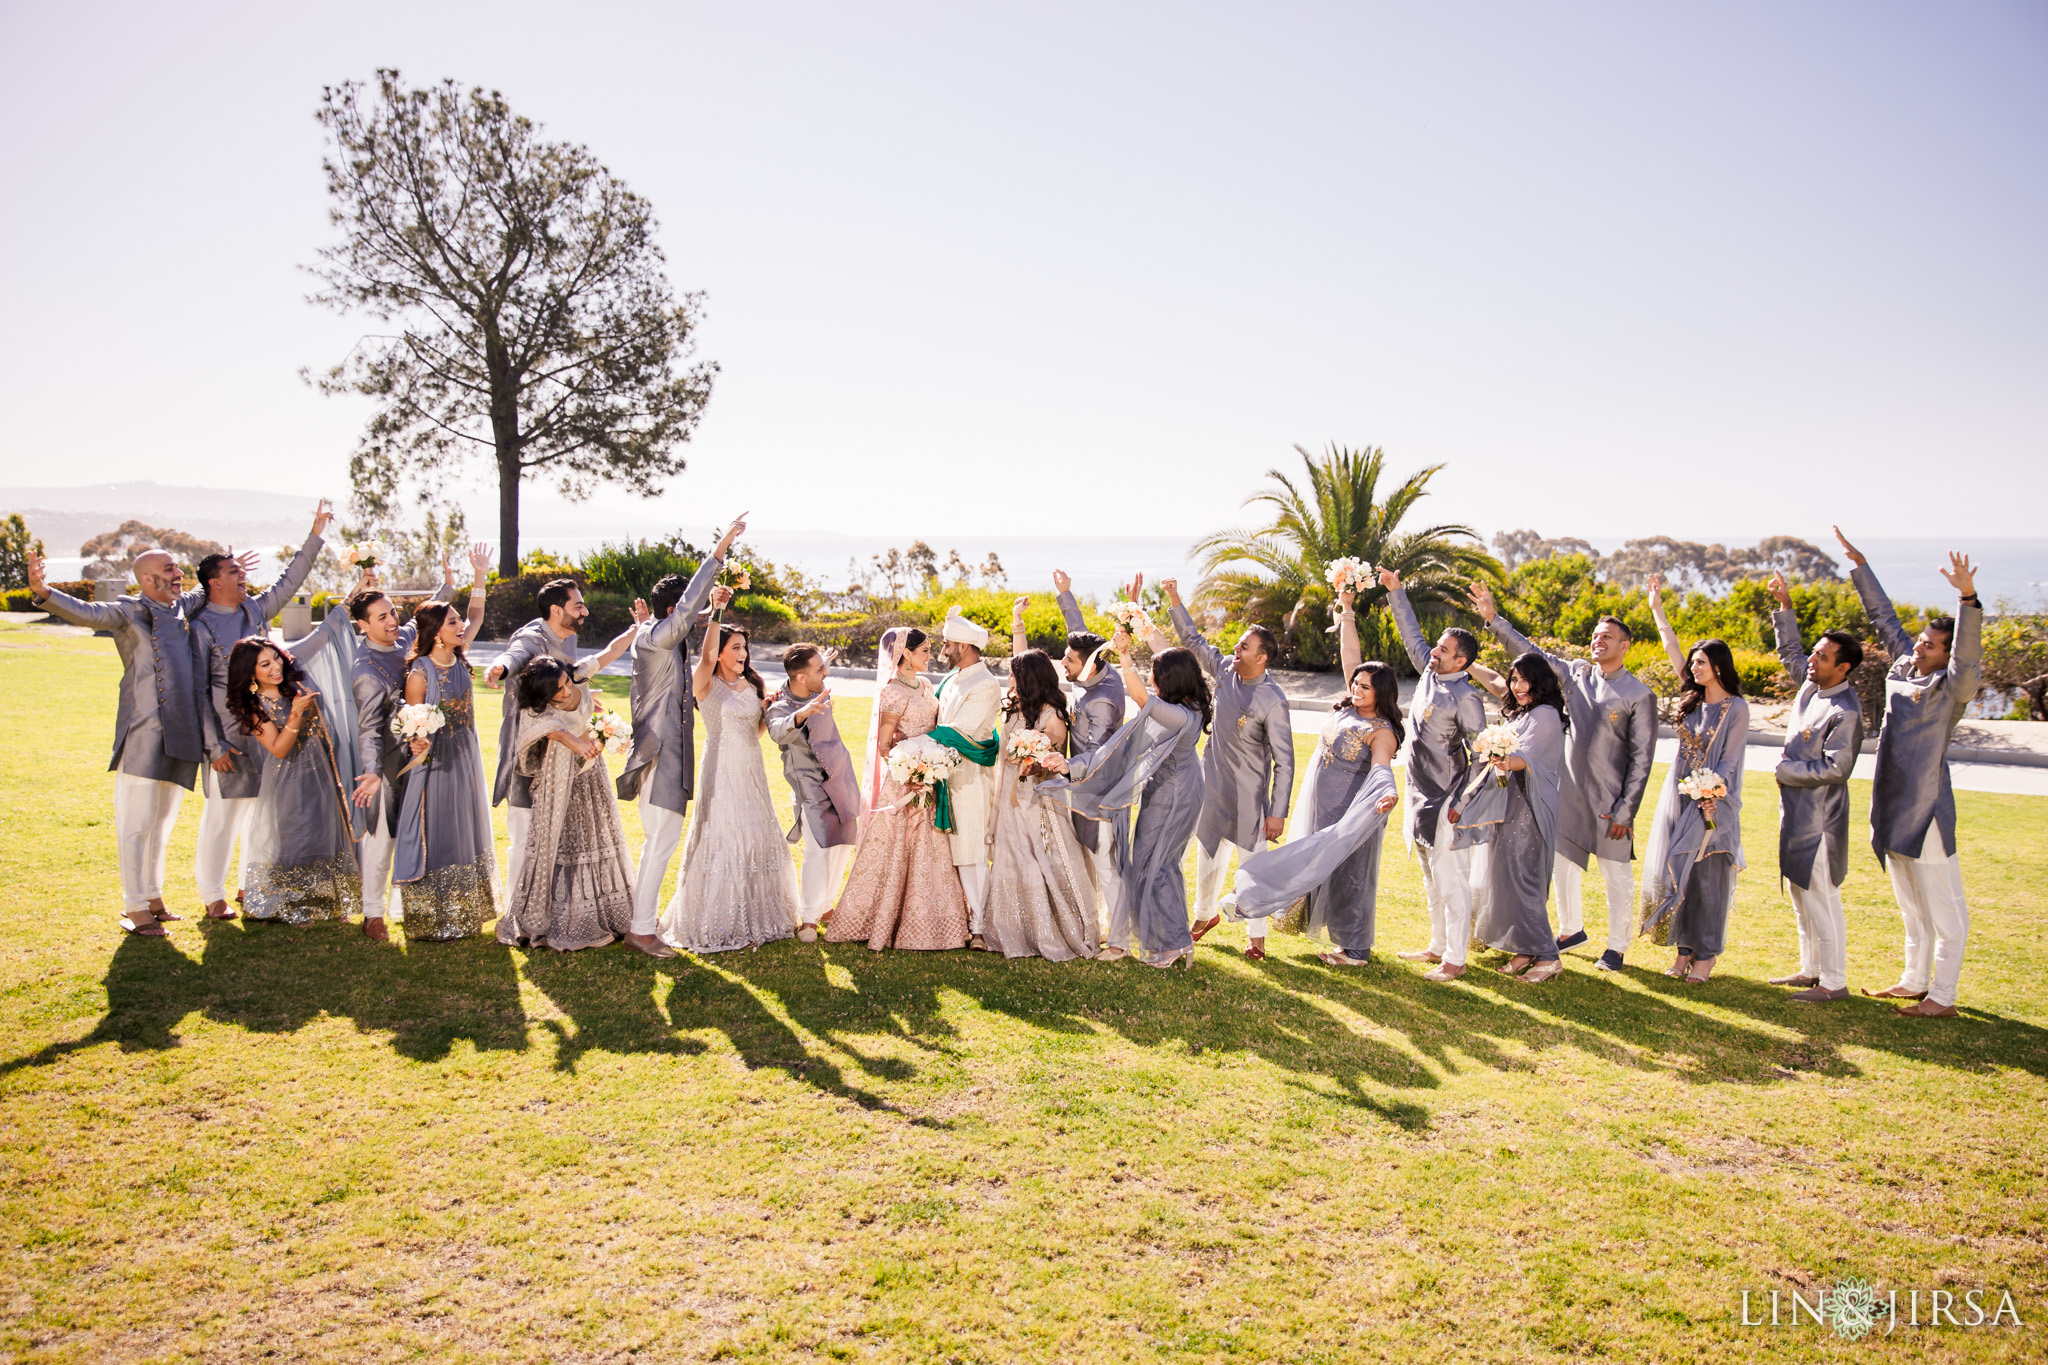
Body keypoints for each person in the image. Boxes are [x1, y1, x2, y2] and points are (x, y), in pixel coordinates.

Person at [26, 545, 255, 934]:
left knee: (161, 823)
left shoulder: (186, 605)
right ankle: (134, 907)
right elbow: (87, 613)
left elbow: (214, 590)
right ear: (148, 580)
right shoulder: (127, 611)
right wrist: (44, 591)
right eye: (169, 568)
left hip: (181, 734)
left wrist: (235, 572)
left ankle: (152, 896)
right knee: (135, 825)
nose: (178, 572)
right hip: (144, 735)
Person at [1468, 579, 1655, 970]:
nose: (1598, 641)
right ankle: (1571, 930)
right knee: (1563, 868)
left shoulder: (1639, 694)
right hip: (1565, 795)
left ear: (1626, 645)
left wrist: (1626, 809)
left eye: (1607, 637)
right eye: (1595, 635)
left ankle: (1617, 947)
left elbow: (1642, 758)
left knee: (1616, 874)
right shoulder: (1576, 675)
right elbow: (1531, 655)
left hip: (1610, 802)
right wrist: (1494, 620)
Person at [1839, 530, 1983, 1018]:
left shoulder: (1952, 688)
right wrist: (1861, 566)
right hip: (1893, 804)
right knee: (1911, 905)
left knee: (1945, 909)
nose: (1920, 648)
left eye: (1930, 646)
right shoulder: (1904, 666)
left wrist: (1967, 599)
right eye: (1921, 642)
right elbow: (1885, 620)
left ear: (1947, 655)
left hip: (1927, 812)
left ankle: (1943, 996)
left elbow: (1968, 658)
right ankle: (1913, 980)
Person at [1229, 592, 1402, 968]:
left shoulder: (1380, 729)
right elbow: (1351, 659)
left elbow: (1382, 768)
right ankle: (1338, 940)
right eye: (1355, 684)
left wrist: (1387, 793)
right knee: (1322, 867)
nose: (1357, 689)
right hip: (1321, 804)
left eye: (1365, 687)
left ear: (1382, 693)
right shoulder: (1350, 706)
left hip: (1350, 810)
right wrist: (1347, 612)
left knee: (1352, 876)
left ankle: (1355, 950)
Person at [188, 502, 333, 919]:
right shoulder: (200, 628)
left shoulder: (254, 610)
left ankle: (251, 884)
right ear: (215, 583)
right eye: (234, 571)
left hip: (269, 729)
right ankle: (212, 894)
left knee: (262, 813)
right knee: (222, 817)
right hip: (229, 738)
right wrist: (213, 745)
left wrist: (316, 534)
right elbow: (200, 690)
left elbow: (289, 582)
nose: (243, 575)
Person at [1038, 623, 1210, 969]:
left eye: (1156, 676)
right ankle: (1173, 941)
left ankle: (1173, 945)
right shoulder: (1184, 705)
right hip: (1172, 787)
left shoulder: (1178, 714)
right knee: (1160, 865)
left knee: (1154, 866)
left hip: (1174, 793)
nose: (1151, 681)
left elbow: (1141, 698)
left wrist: (1127, 656)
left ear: (1172, 681)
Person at [616, 516, 745, 958]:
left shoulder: (655, 634)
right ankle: (641, 930)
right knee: (661, 842)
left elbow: (694, 615)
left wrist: (718, 608)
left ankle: (640, 921)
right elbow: (689, 611)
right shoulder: (655, 638)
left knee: (659, 841)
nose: (692, 616)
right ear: (673, 612)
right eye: (686, 611)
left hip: (667, 754)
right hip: (660, 754)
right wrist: (720, 548)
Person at [1148, 576, 1294, 959]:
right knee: (1208, 852)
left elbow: (1286, 761)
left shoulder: (1273, 700)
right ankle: (1203, 916)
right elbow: (1194, 642)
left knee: (1253, 866)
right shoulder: (1227, 669)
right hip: (1211, 784)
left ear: (1261, 657)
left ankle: (1257, 937)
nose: (1236, 646)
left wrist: (1278, 813)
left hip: (1249, 796)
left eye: (1245, 645)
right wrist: (1176, 600)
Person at [482, 578, 636, 904]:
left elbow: (576, 674)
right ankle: (516, 910)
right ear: (556, 610)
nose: (585, 611)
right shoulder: (532, 638)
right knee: (524, 834)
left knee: (561, 836)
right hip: (530, 754)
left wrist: (583, 698)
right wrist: (499, 668)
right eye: (577, 605)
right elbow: (516, 654)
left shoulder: (567, 639)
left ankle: (550, 906)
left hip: (567, 757)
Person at [660, 606, 803, 953]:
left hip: (751, 765)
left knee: (755, 833)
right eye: (735, 647)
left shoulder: (753, 683)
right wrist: (716, 612)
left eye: (744, 647)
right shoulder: (705, 683)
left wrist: (767, 709)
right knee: (725, 833)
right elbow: (706, 655)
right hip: (721, 766)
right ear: (720, 653)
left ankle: (760, 914)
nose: (742, 654)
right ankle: (720, 917)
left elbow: (755, 732)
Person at [345, 560, 472, 942]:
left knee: (418, 832)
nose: (391, 621)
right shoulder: (365, 670)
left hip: (428, 753)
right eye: (381, 617)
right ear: (362, 625)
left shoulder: (402, 639)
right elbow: (368, 729)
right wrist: (371, 770)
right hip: (389, 763)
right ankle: (372, 913)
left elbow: (426, 619)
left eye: (393, 613)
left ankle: (411, 905)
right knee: (383, 836)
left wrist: (448, 587)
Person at [827, 628, 973, 951]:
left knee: (931, 848)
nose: (930, 656)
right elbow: (884, 745)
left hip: (930, 778)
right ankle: (884, 919)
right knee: (895, 848)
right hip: (906, 779)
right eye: (924, 651)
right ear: (906, 654)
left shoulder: (926, 685)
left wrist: (931, 766)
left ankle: (935, 923)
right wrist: (912, 769)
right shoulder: (892, 692)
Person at [1639, 580, 1750, 983]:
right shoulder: (1693, 700)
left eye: (1701, 663)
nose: (1694, 667)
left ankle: (1706, 955)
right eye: (1694, 663)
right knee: (1680, 870)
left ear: (1718, 666)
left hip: (1712, 801)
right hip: (1680, 795)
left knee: (1707, 878)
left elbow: (1731, 760)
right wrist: (1657, 610)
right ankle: (1683, 952)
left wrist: (1711, 797)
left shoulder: (1736, 708)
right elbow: (1671, 647)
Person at [1766, 571, 1866, 1003]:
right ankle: (1811, 969)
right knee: (1799, 892)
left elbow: (1836, 768)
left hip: (1822, 821)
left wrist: (1785, 770)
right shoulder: (1811, 688)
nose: (1813, 660)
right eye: (1816, 653)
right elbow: (1790, 651)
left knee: (1822, 897)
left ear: (1842, 667)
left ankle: (1835, 982)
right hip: (1795, 814)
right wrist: (1785, 607)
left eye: (1822, 657)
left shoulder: (1846, 710)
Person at [1381, 568, 1487, 973]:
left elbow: (1481, 756)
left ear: (1461, 660)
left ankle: (1456, 960)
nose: (1435, 652)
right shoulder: (1429, 673)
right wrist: (1397, 592)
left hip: (1447, 799)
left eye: (1444, 650)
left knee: (1451, 879)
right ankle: (1437, 944)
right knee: (1429, 875)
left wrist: (1460, 803)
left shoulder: (1467, 697)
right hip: (1417, 792)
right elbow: (1413, 637)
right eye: (1438, 647)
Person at [222, 630, 361, 925]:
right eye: (264, 665)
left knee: (326, 830)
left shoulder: (292, 687)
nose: (275, 667)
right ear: (250, 673)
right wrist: (296, 715)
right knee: (297, 835)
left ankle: (329, 902)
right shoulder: (255, 707)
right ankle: (293, 904)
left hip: (320, 770)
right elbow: (279, 749)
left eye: (276, 659)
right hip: (289, 777)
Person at [498, 658, 638, 951]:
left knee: (595, 839)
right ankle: (560, 918)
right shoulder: (535, 711)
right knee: (566, 847)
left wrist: (603, 732)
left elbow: (611, 653)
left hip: (591, 779)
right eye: (557, 689)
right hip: (560, 786)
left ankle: (604, 912)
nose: (564, 691)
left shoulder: (578, 686)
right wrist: (579, 744)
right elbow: (554, 731)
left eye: (566, 683)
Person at [1450, 653, 1570, 982]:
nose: (1518, 687)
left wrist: (1496, 752)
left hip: (1530, 808)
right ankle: (1524, 949)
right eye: (1514, 680)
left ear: (1540, 681)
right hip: (1510, 804)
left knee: (1523, 880)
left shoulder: (1545, 715)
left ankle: (1548, 956)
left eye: (1524, 680)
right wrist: (1470, 663)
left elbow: (1526, 759)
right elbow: (1494, 684)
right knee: (1506, 876)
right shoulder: (1524, 712)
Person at [392, 589, 500, 942]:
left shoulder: (457, 655)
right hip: (436, 761)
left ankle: (464, 910)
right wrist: (416, 741)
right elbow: (413, 722)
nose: (462, 626)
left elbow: (478, 616)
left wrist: (480, 578)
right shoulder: (420, 673)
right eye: (453, 622)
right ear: (436, 632)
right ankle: (432, 915)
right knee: (439, 825)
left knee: (464, 824)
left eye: (458, 621)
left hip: (465, 752)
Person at [981, 648, 1097, 961]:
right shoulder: (1018, 707)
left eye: (1014, 675)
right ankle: (1008, 927)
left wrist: (1034, 764)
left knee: (1038, 857)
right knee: (1011, 853)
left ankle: (1048, 929)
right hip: (1009, 793)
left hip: (1038, 797)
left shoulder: (1053, 715)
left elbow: (1053, 760)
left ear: (1029, 679)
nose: (1009, 681)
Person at [1045, 570, 1127, 936]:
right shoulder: (1090, 667)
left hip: (1101, 792)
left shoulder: (1105, 699)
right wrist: (1066, 594)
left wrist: (1066, 764)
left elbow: (1100, 752)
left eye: (1069, 662)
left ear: (1090, 664)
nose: (1063, 664)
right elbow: (1079, 635)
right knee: (1095, 859)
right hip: (1082, 785)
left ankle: (1121, 937)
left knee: (1106, 863)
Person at [765, 643, 860, 943]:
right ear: (801, 678)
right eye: (820, 669)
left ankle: (827, 905)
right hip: (811, 789)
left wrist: (821, 662)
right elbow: (778, 730)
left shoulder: (817, 689)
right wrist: (802, 713)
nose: (827, 672)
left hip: (841, 779)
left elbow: (813, 673)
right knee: (817, 850)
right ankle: (808, 918)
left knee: (843, 844)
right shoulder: (780, 706)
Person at [931, 606, 1004, 947]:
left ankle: (980, 925)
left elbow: (959, 733)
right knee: (951, 851)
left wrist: (913, 746)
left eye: (948, 645)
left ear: (965, 646)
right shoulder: (949, 680)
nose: (943, 651)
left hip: (971, 779)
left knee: (972, 850)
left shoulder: (986, 684)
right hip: (945, 777)